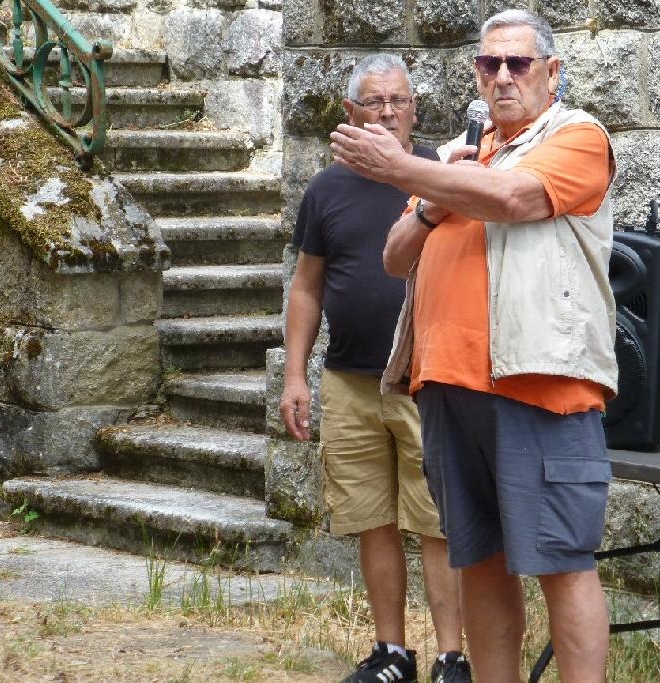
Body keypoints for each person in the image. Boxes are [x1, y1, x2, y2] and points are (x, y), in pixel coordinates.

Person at [328, 10, 617, 683]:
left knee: (562, 561)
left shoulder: (577, 135)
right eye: (490, 64)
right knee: (479, 559)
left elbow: (512, 197)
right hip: (448, 386)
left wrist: (407, 170)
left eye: (519, 63)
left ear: (552, 72)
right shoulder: (458, 155)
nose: (503, 76)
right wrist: (429, 195)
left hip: (537, 386)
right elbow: (396, 257)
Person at [279, 54, 471, 683]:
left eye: (399, 101)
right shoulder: (326, 190)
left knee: (437, 522)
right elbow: (306, 287)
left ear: (415, 108)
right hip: (349, 381)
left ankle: (452, 658)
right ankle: (393, 653)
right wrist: (295, 375)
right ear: (350, 113)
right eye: (374, 101)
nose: (388, 113)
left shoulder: (442, 177)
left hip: (425, 380)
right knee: (372, 518)